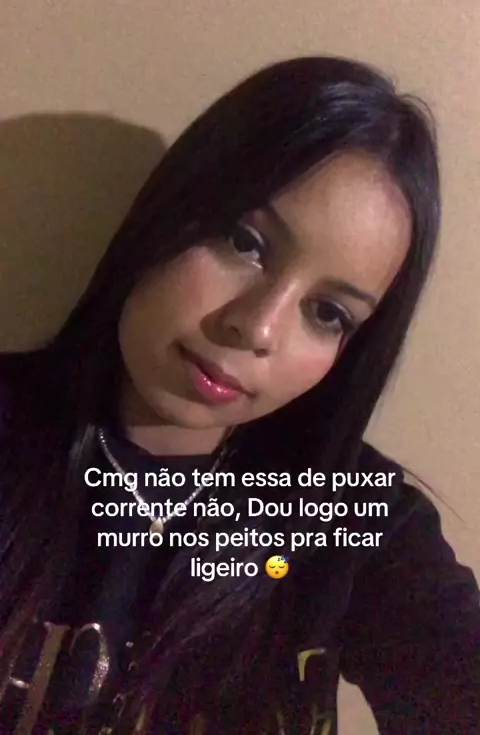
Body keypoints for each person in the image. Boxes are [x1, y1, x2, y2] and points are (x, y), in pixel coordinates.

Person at [0, 57, 478, 735]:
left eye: (328, 313)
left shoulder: (357, 521)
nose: (256, 328)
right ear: (170, 207)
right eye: (245, 243)